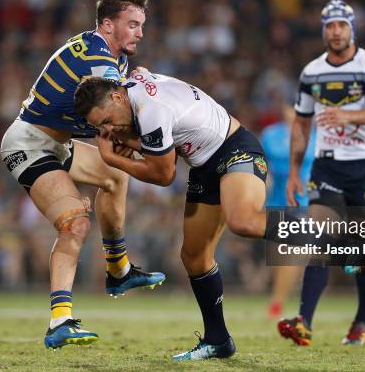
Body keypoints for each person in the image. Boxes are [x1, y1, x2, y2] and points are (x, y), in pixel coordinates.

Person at [74, 70, 287, 361]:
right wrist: (134, 142)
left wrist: (112, 159)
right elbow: (145, 79)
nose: (110, 129)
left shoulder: (150, 109)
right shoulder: (131, 91)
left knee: (243, 220)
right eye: (102, 127)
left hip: (235, 148)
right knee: (194, 257)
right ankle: (218, 340)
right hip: (204, 166)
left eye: (108, 121)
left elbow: (163, 174)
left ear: (116, 96)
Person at [0, 0, 165, 350]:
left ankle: (119, 270)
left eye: (142, 24)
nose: (141, 31)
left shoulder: (113, 57)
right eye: (133, 23)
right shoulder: (99, 59)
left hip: (58, 145)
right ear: (108, 25)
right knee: (75, 222)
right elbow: (120, 122)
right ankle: (60, 321)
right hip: (28, 144)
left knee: (116, 171)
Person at [277, 0, 365, 346]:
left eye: (341, 25)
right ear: (323, 30)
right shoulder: (311, 72)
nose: (335, 31)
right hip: (327, 164)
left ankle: (363, 321)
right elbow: (300, 124)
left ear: (352, 29)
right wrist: (294, 172)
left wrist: (348, 116)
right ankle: (305, 321)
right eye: (329, 26)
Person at [261, 104, 315, 318]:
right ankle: (282, 295)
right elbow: (263, 162)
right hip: (275, 200)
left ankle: (277, 302)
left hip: (303, 200)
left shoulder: (315, 134)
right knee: (279, 254)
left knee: (291, 252)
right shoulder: (271, 134)